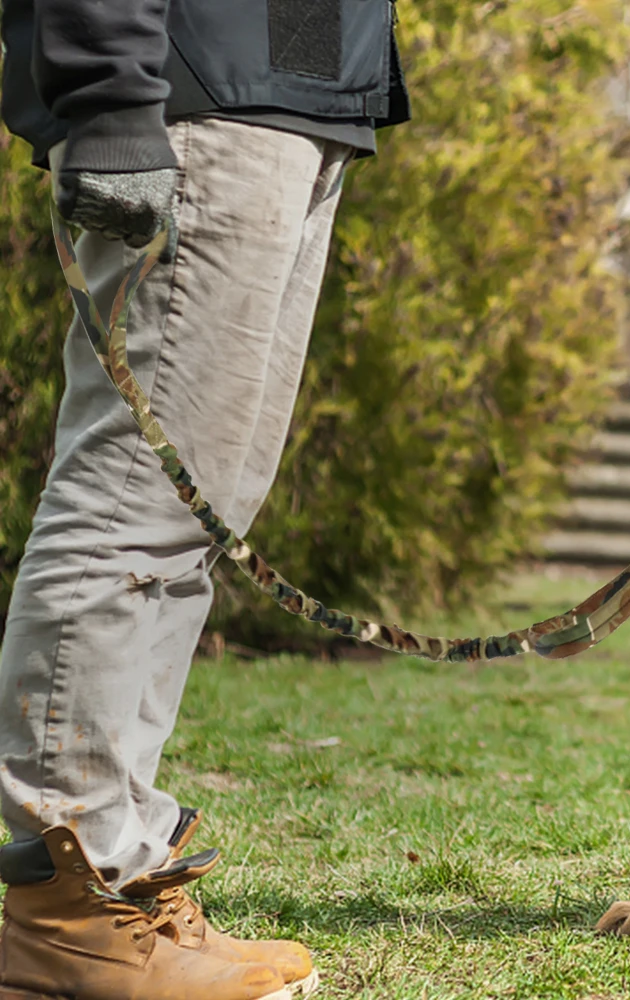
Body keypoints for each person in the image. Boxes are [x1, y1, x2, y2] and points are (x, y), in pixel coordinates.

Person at [0, 1, 409, 997]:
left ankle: (121, 873)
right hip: (193, 94)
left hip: (289, 95)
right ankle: (64, 896)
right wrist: (108, 94)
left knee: (193, 516)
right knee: (136, 495)